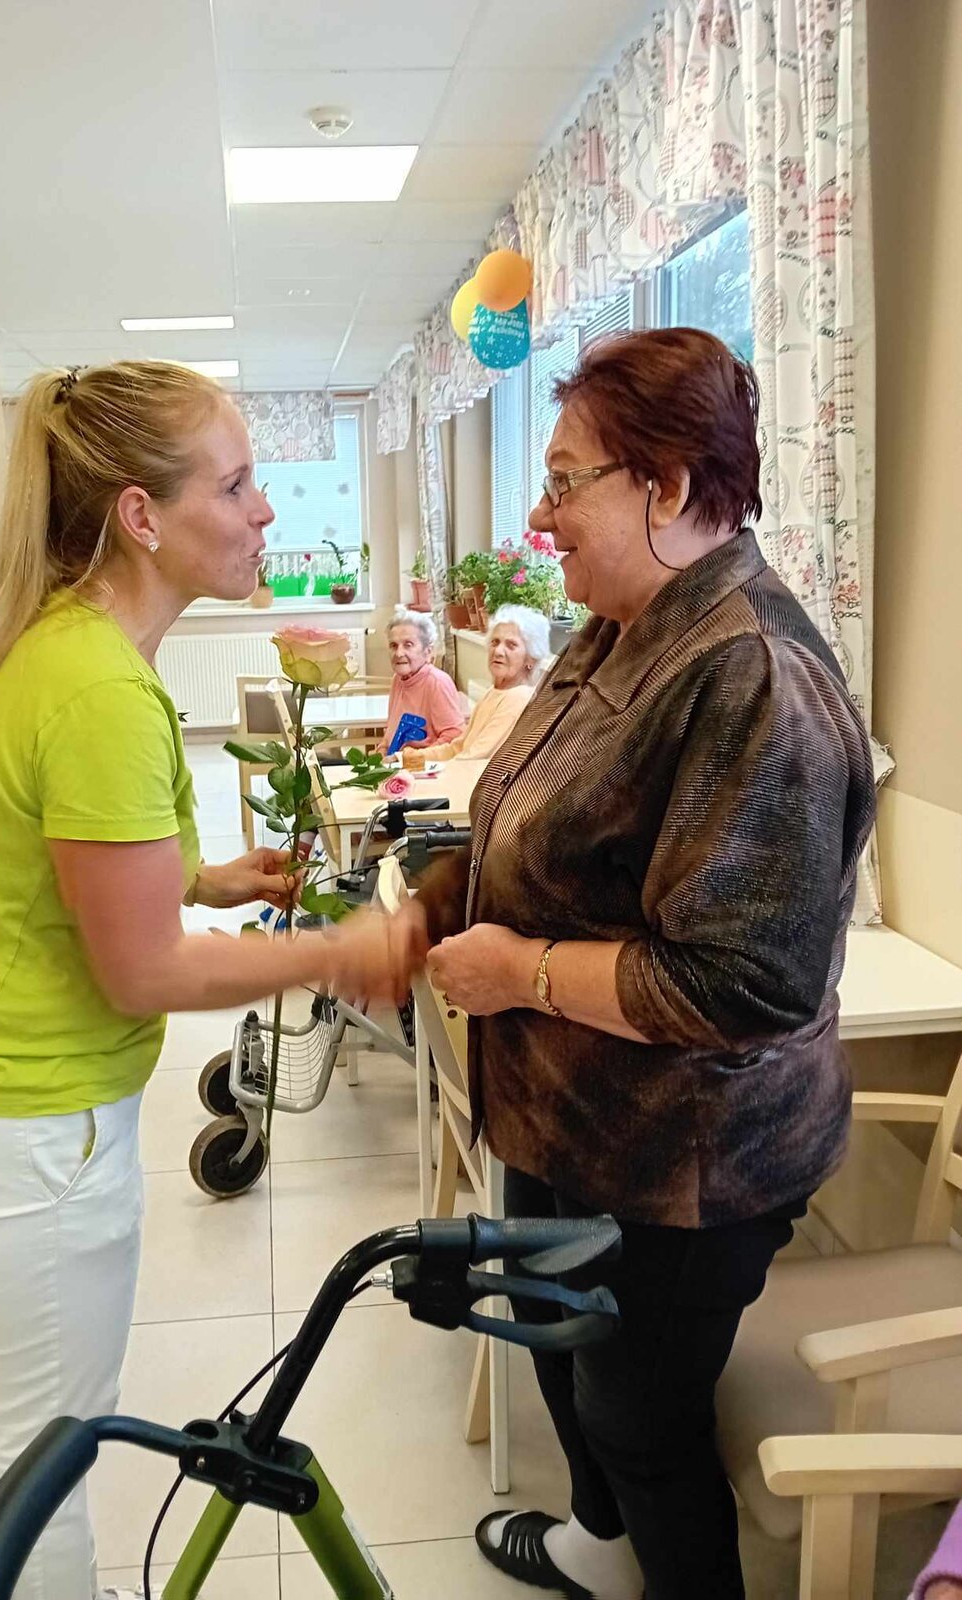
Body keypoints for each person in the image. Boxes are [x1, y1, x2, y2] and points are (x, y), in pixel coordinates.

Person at [0, 360, 424, 1600]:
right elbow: (140, 970)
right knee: (43, 1468)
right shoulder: (99, 690)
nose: (264, 510)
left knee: (38, 1439)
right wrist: (339, 950)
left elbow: (67, 871)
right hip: (22, 1124)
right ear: (141, 515)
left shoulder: (67, 649)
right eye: (235, 486)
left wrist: (215, 879)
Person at [409, 328, 875, 1600]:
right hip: (572, 1120)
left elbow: (741, 985)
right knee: (559, 1347)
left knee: (643, 1421)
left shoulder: (753, 675)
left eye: (564, 481)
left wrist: (519, 971)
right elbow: (558, 826)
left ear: (664, 488)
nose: (539, 515)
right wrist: (450, 895)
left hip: (683, 1162)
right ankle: (600, 1548)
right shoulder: (621, 628)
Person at [412, 605, 544, 764]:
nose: (498, 651)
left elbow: (472, 758)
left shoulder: (518, 697)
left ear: (530, 659)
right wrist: (406, 759)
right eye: (495, 642)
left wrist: (411, 767)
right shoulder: (494, 692)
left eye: (511, 645)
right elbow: (458, 748)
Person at [382, 606, 467, 752]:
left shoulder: (437, 682)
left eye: (408, 645)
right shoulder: (398, 679)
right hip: (396, 762)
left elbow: (454, 736)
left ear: (428, 651)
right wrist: (382, 749)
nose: (399, 653)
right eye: (393, 646)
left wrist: (411, 758)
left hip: (423, 765)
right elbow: (391, 730)